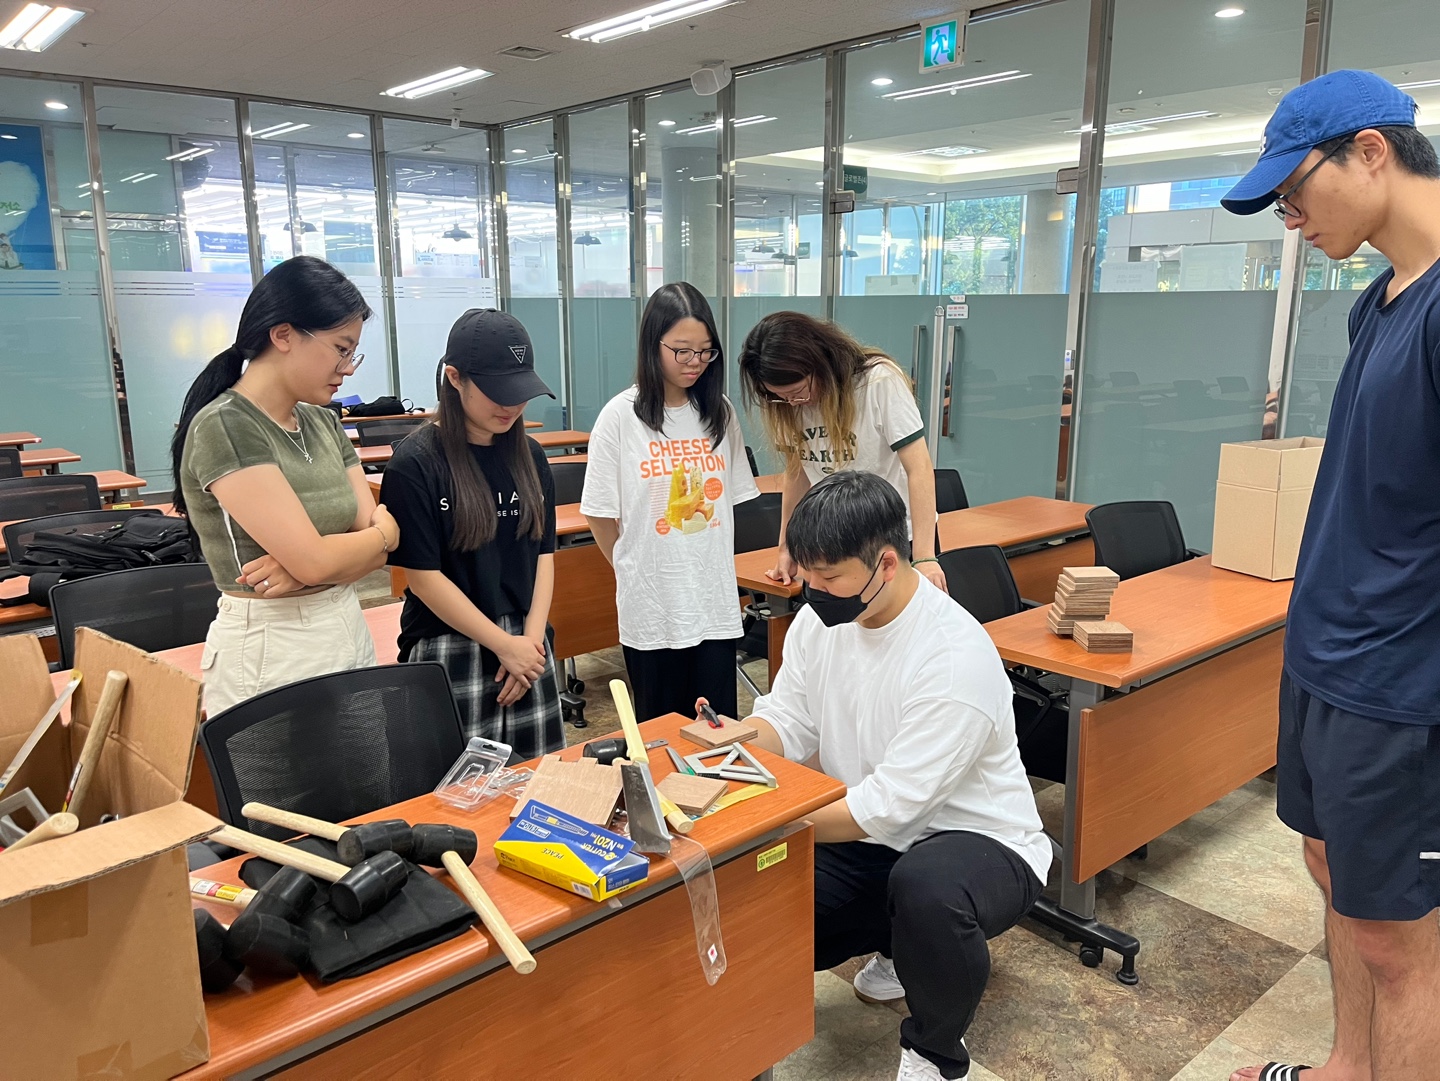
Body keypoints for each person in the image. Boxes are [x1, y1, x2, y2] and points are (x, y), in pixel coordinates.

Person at [1220, 70, 1440, 1081]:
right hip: (1326, 660)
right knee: (1329, 868)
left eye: (1295, 193)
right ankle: (1348, 1064)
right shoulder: (1378, 303)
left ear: (1372, 151)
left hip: (1400, 685)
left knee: (1401, 941)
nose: (1293, 220)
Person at [701, 470, 1048, 1081]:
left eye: (829, 577)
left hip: (980, 840)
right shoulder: (822, 622)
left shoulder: (952, 656)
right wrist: (737, 741)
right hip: (871, 833)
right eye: (808, 576)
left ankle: (934, 1054)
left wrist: (763, 816)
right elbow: (790, 720)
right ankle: (891, 946)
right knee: (760, 894)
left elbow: (891, 807)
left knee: (928, 889)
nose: (814, 592)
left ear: (886, 563)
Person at [173, 255, 396, 715]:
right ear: (284, 335)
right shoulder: (227, 425)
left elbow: (350, 552)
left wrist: (318, 563)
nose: (349, 368)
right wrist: (382, 536)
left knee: (366, 763)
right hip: (271, 644)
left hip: (345, 620)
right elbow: (349, 546)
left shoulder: (323, 422)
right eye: (341, 348)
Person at [380, 310, 563, 759]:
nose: (511, 406)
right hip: (453, 643)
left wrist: (529, 645)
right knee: (453, 790)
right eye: (497, 391)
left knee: (537, 782)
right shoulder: (416, 463)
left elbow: (544, 554)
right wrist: (504, 646)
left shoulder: (531, 457)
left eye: (520, 392)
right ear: (455, 378)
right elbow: (423, 578)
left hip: (528, 646)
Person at [581, 282, 760, 722]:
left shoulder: (719, 413)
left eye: (705, 351)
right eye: (681, 351)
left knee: (717, 734)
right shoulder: (620, 417)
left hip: (713, 604)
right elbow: (599, 515)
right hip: (652, 610)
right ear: (652, 344)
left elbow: (728, 503)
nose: (694, 362)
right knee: (662, 737)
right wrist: (632, 567)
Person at [736, 310, 947, 594]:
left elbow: (919, 468)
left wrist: (924, 557)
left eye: (798, 392)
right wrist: (786, 547)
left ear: (820, 363)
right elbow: (797, 475)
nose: (794, 403)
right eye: (781, 397)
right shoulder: (788, 406)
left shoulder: (878, 381)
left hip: (893, 539)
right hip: (831, 543)